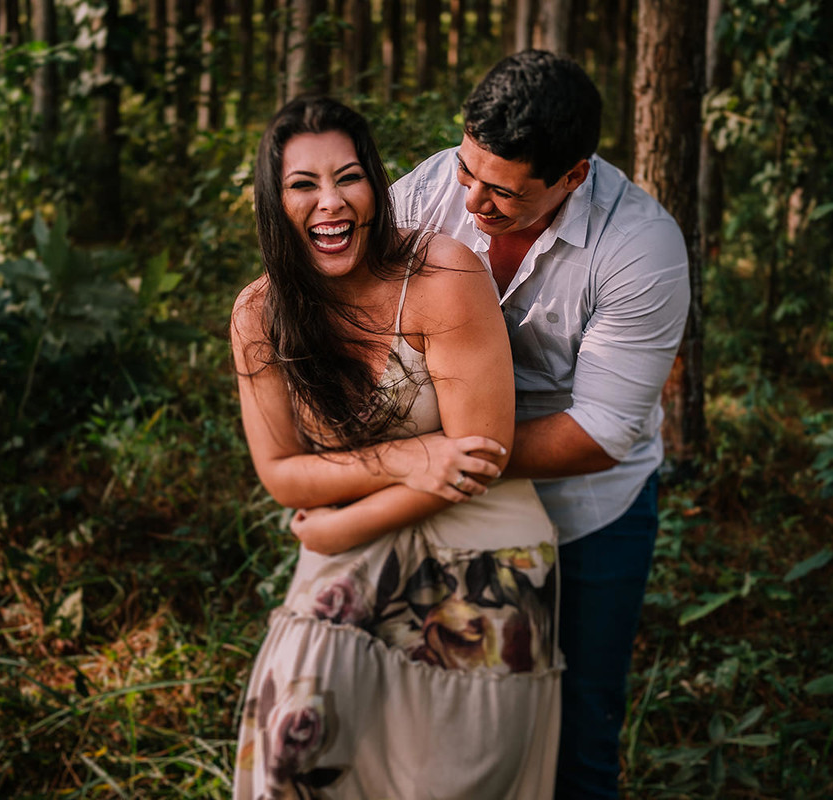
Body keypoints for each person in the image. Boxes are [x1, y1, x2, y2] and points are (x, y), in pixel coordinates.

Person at [231, 95, 564, 798]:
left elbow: (480, 457)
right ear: (273, 200)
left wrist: (332, 521)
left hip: (483, 543)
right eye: (303, 184)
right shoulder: (259, 314)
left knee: (457, 778)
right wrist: (409, 457)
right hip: (354, 546)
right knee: (295, 744)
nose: (331, 202)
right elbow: (283, 474)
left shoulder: (441, 272)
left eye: (348, 178)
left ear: (376, 186)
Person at [388, 51, 690, 799]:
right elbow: (353, 303)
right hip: (444, 493)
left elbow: (601, 431)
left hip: (591, 511)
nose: (472, 200)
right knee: (450, 712)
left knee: (578, 733)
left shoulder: (642, 248)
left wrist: (444, 458)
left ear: (573, 177)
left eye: (501, 193)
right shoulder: (433, 186)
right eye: (468, 172)